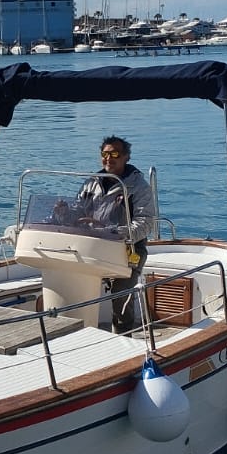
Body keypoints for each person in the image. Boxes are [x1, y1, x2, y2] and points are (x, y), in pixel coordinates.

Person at [71, 135, 157, 332]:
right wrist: (64, 212)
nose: (109, 158)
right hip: (91, 249)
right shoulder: (91, 183)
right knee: (73, 281)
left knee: (120, 294)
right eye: (105, 154)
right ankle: (77, 331)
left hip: (127, 250)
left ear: (126, 157)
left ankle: (123, 337)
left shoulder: (138, 187)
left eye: (115, 154)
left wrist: (113, 232)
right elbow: (77, 210)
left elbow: (145, 223)